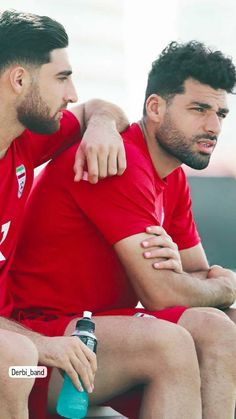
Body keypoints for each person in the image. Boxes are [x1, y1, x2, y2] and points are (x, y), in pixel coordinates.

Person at [9, 41, 236, 418]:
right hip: (38, 351)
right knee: (181, 337)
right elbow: (163, 294)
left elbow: (196, 277)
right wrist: (223, 285)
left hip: (100, 335)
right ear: (156, 107)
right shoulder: (121, 162)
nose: (213, 126)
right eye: (199, 109)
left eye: (221, 114)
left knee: (224, 323)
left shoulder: (172, 175)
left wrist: (203, 284)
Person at [0, 8, 133, 419]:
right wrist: (43, 345)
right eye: (61, 78)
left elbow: (99, 106)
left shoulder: (25, 141)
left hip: (19, 341)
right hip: (16, 354)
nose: (71, 93)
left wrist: (101, 127)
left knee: (169, 345)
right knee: (17, 362)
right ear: (19, 80)